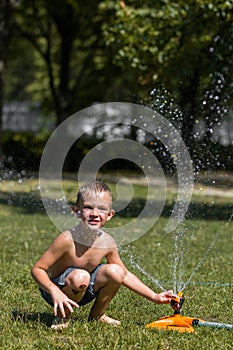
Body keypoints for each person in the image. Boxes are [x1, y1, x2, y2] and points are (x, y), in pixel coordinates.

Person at [31, 181, 174, 330]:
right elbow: (37, 269)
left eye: (102, 209)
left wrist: (155, 297)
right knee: (81, 275)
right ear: (76, 211)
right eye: (88, 207)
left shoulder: (107, 242)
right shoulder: (67, 239)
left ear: (110, 214)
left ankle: (97, 315)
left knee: (115, 271)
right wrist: (54, 291)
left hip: (84, 288)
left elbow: (124, 275)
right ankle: (63, 315)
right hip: (55, 291)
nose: (94, 213)